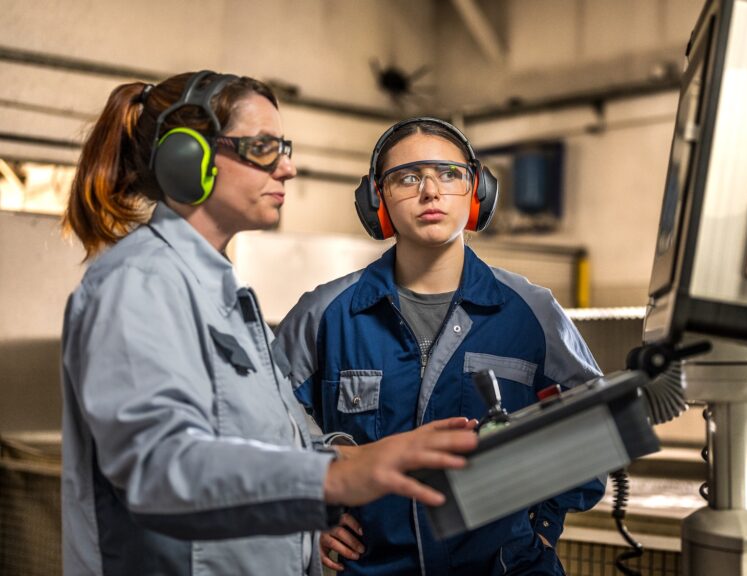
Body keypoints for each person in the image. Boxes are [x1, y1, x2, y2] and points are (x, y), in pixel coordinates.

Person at [60, 73, 477, 576]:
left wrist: (361, 457)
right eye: (262, 147)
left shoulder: (223, 294)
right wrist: (329, 479)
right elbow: (158, 468)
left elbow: (271, 441)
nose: (288, 168)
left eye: (284, 147)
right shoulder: (140, 283)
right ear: (186, 158)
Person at [274, 117, 605, 575]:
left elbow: (597, 428)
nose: (430, 191)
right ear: (377, 200)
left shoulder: (531, 313)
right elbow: (260, 426)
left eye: (449, 174)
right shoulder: (326, 315)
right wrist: (309, 512)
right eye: (407, 177)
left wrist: (542, 525)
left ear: (476, 192)